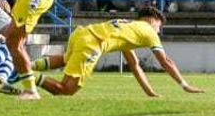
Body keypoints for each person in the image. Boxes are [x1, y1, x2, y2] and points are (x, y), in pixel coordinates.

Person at [31, 6, 202, 98]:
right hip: (93, 43)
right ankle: (25, 74)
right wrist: (184, 85)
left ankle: (27, 65)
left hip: (82, 33)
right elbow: (166, 61)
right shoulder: (148, 31)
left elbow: (135, 66)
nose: (158, 31)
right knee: (66, 90)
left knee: (65, 60)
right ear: (152, 20)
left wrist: (150, 93)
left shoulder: (130, 28)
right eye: (159, 25)